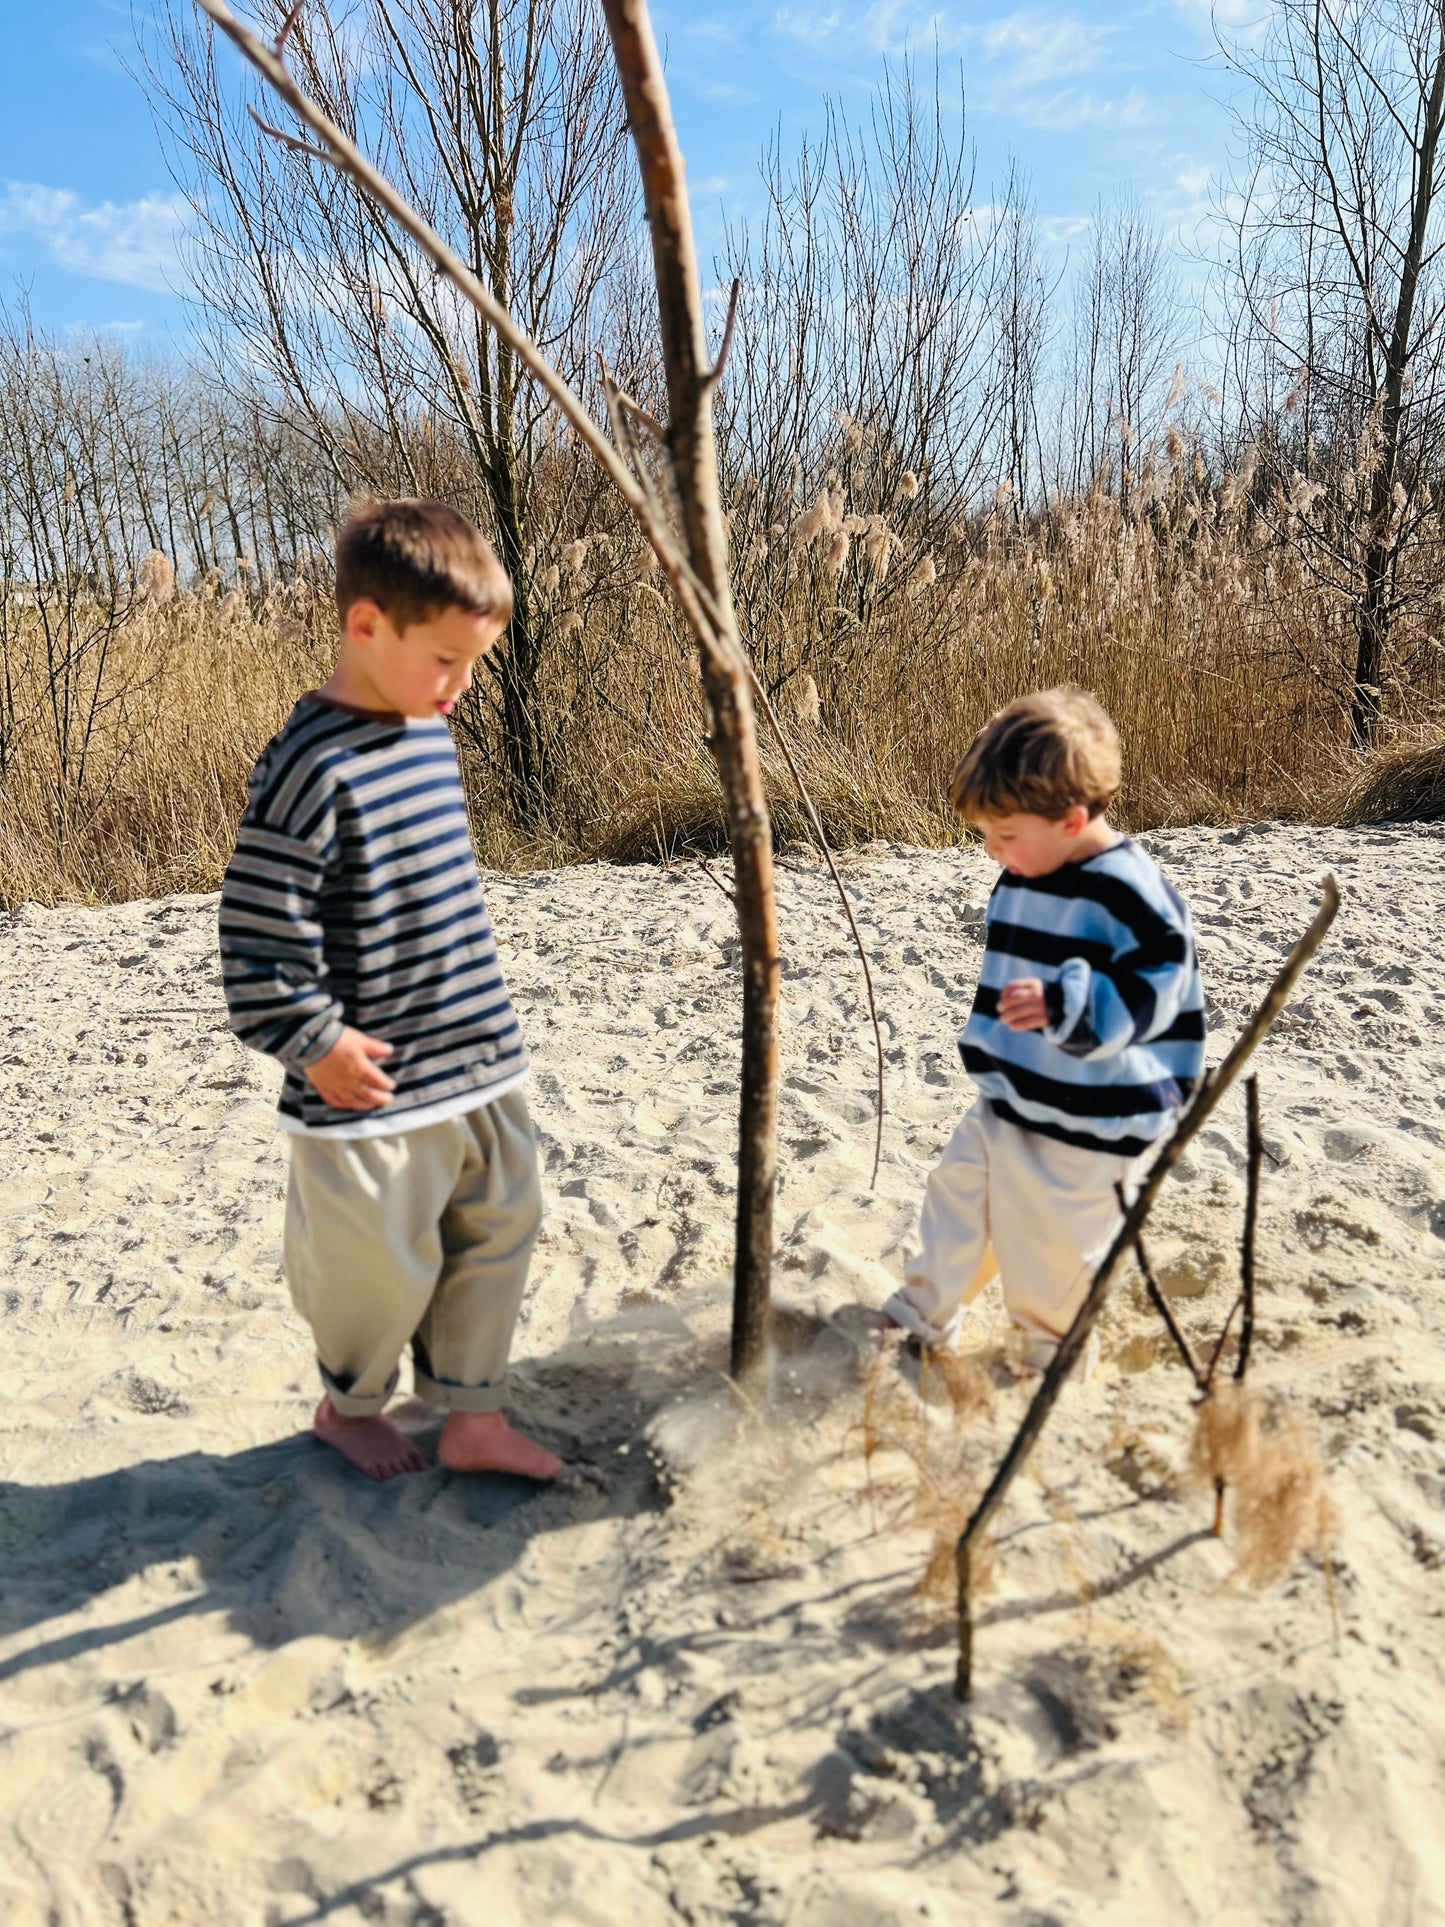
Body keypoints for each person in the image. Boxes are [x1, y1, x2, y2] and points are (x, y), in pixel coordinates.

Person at [219, 498, 560, 1482]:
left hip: (477, 1054)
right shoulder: (307, 766)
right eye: (445, 659)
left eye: (473, 665)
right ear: (365, 625)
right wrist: (316, 1040)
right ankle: (350, 1404)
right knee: (373, 1264)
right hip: (364, 1082)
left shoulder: (424, 729)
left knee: (500, 1226)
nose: (459, 686)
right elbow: (253, 938)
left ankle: (472, 1413)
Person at [882, 687, 1206, 1370]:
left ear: (1070, 818)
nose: (993, 852)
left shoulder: (1127, 889)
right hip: (1016, 1084)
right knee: (958, 1195)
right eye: (984, 836)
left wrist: (1068, 1006)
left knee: (1049, 1237)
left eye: (1005, 835)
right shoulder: (1028, 869)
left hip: (1092, 1107)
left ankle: (1049, 1351)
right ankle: (921, 1313)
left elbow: (1157, 985)